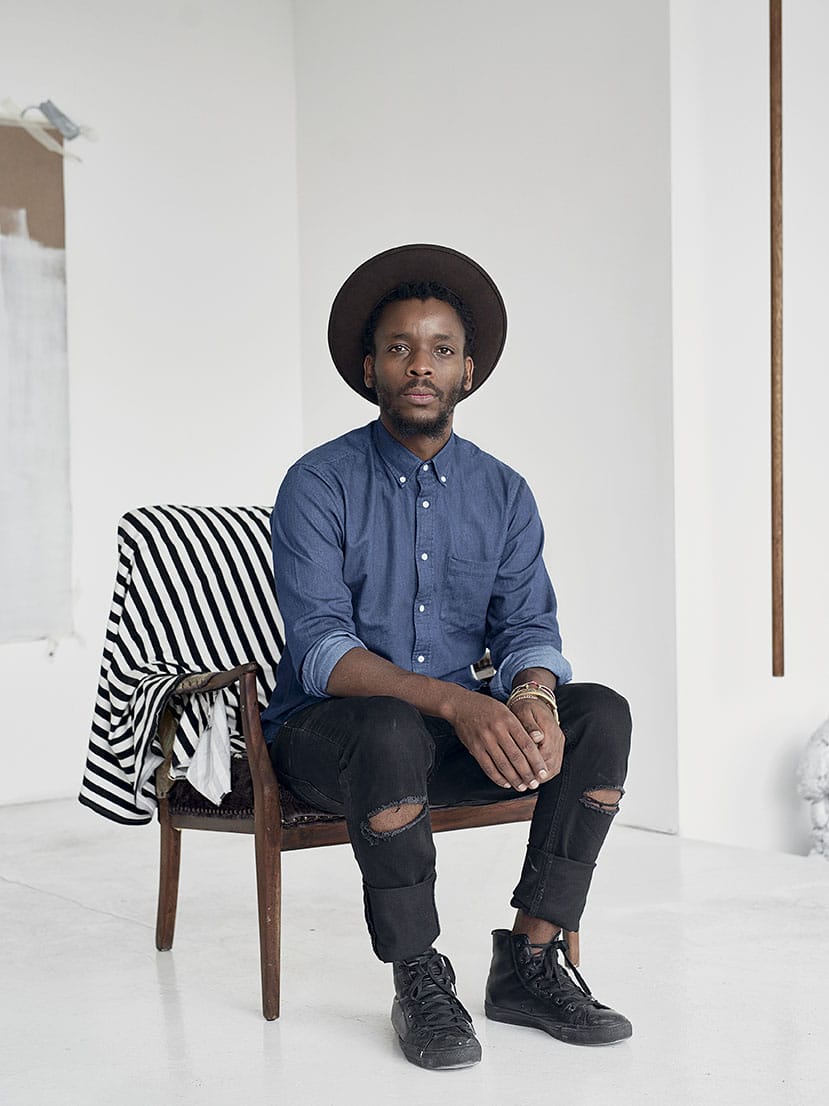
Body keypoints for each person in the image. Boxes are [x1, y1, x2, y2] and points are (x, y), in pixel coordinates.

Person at [260, 244, 632, 1070]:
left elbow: (529, 624)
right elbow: (322, 652)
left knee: (598, 710)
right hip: (333, 745)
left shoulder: (501, 491)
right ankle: (418, 975)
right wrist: (462, 702)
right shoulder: (317, 484)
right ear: (369, 368)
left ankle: (530, 962)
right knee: (390, 723)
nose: (419, 366)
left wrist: (531, 693)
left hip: (455, 743)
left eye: (438, 350)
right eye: (399, 348)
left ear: (468, 370)